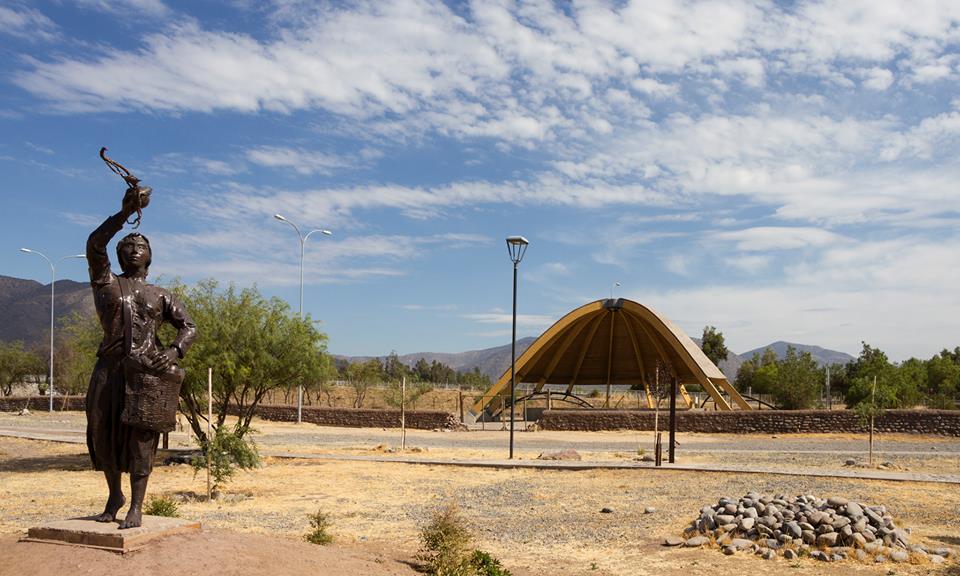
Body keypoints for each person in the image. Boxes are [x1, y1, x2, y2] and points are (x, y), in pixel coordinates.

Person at [85, 190, 196, 529]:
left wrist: (173, 351)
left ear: (150, 258)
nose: (134, 249)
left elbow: (188, 326)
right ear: (119, 254)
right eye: (129, 246)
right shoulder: (105, 282)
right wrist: (124, 213)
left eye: (141, 246)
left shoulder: (161, 295)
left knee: (141, 438)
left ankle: (136, 506)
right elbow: (94, 244)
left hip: (145, 374)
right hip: (109, 369)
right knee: (101, 432)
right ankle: (113, 495)